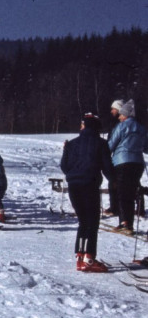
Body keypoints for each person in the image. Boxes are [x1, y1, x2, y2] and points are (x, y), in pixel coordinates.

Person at [60, 113, 114, 272]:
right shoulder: (101, 143)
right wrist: (115, 181)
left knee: (83, 221)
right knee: (92, 222)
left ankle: (80, 256)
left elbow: (64, 167)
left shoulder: (71, 144)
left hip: (74, 186)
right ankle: (89, 258)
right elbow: (107, 167)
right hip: (89, 184)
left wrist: (72, 168)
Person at [107, 99, 147, 235]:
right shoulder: (141, 128)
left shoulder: (122, 126)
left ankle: (125, 223)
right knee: (131, 192)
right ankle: (128, 222)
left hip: (122, 162)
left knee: (122, 193)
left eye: (121, 114)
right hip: (138, 163)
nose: (119, 117)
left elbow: (111, 145)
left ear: (126, 115)